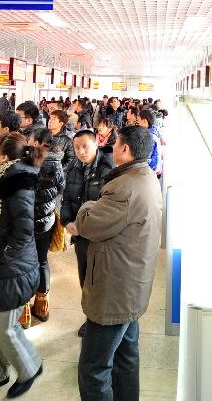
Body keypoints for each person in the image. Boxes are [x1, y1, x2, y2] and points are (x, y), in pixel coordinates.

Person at [66, 126, 162, 401]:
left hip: (114, 289)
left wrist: (86, 206)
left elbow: (89, 223)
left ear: (125, 149)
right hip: (131, 284)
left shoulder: (124, 188)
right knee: (126, 358)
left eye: (116, 142)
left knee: (93, 368)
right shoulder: (145, 177)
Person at [0, 133, 44, 400]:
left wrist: (4, 254)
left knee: (4, 327)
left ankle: (30, 366)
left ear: (3, 156)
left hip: (13, 267)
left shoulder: (17, 183)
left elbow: (24, 230)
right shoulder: (1, 179)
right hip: (0, 264)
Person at [60, 130, 116, 336]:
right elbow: (67, 198)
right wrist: (66, 221)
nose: (81, 151)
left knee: (100, 279)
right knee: (84, 278)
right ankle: (90, 318)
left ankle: (103, 320)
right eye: (77, 147)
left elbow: (107, 206)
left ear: (96, 145)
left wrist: (85, 226)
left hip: (101, 238)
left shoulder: (108, 169)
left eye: (85, 146)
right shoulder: (74, 167)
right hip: (80, 235)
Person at [26, 128, 64, 325]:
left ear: (37, 142)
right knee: (42, 261)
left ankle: (23, 309)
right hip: (46, 220)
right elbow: (60, 187)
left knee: (23, 262)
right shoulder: (56, 161)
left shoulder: (26, 159)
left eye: (31, 139)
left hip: (26, 220)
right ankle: (42, 307)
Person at [138, 109, 162, 173]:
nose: (138, 123)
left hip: (150, 170)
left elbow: (146, 159)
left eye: (139, 120)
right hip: (154, 167)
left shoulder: (149, 136)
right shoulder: (154, 129)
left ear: (145, 121)